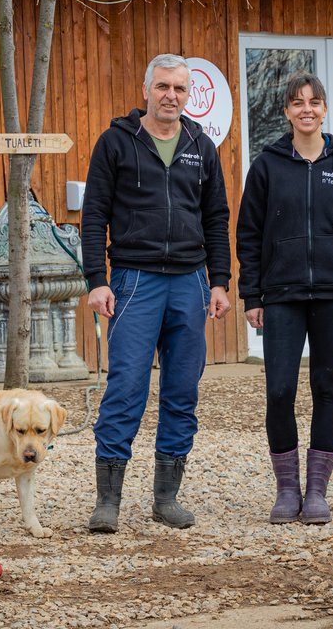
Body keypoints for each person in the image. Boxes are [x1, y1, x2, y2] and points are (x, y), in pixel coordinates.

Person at [81, 53, 232, 533]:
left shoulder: (200, 146)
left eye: (180, 89)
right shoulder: (116, 143)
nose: (171, 96)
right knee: (126, 388)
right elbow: (93, 215)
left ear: (189, 96)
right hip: (133, 281)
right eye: (163, 86)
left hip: (190, 282)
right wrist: (96, 280)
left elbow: (216, 218)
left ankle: (166, 498)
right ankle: (108, 501)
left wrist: (220, 281)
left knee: (182, 390)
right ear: (147, 88)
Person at [236, 72, 333, 525]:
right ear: (286, 112)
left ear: (324, 108)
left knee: (325, 387)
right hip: (281, 295)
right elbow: (249, 234)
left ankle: (317, 491)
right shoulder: (267, 165)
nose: (306, 109)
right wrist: (251, 295)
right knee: (279, 390)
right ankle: (286, 489)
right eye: (297, 103)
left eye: (314, 101)